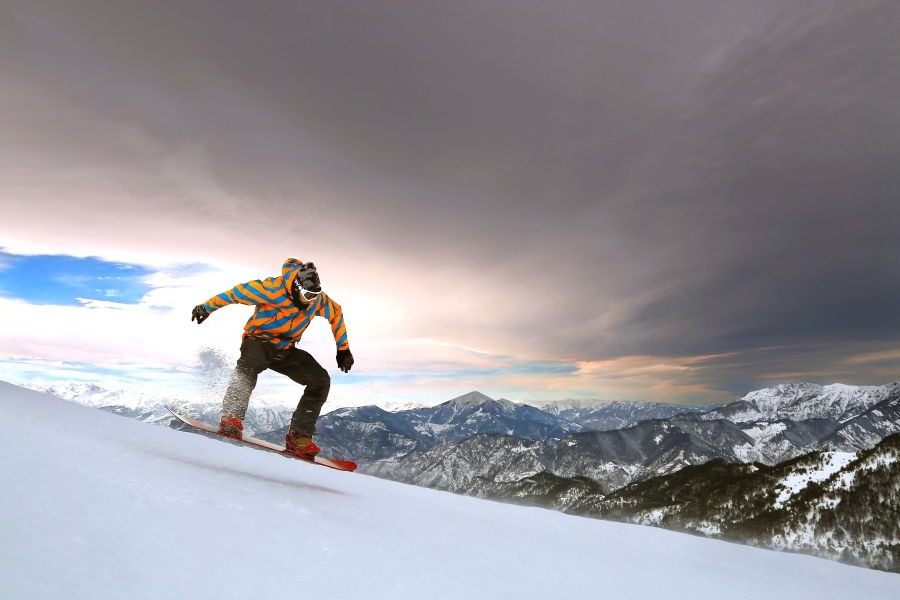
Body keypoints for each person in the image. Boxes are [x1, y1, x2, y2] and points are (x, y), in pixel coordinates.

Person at [191, 258, 353, 458]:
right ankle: (231, 417)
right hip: (258, 341)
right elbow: (235, 294)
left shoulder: (318, 300)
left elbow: (336, 313)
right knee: (250, 364)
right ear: (296, 287)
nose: (311, 300)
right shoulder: (271, 289)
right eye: (308, 295)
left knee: (320, 380)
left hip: (286, 348)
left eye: (315, 295)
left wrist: (343, 349)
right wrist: (206, 307)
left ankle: (298, 437)